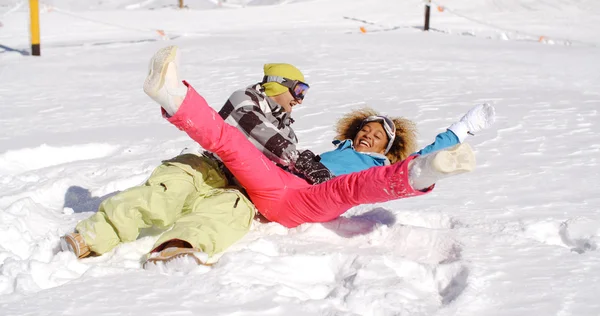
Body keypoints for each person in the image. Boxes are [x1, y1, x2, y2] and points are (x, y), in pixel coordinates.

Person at [144, 45, 496, 230]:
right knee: (231, 144)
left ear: (387, 149)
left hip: (315, 198)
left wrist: (461, 130)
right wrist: (301, 161)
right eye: (365, 131)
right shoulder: (323, 150)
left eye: (376, 137)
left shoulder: (379, 165)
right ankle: (174, 97)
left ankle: (427, 172)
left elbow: (382, 173)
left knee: (356, 186)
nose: (367, 137)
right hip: (278, 183)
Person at [61, 50, 311, 271]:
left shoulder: (288, 133)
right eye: (299, 90)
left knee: (225, 216)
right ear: (279, 84)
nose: (300, 99)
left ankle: (177, 247)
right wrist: (297, 159)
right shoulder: (245, 100)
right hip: (204, 166)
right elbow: (256, 129)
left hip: (237, 188)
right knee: (162, 197)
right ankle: (92, 235)